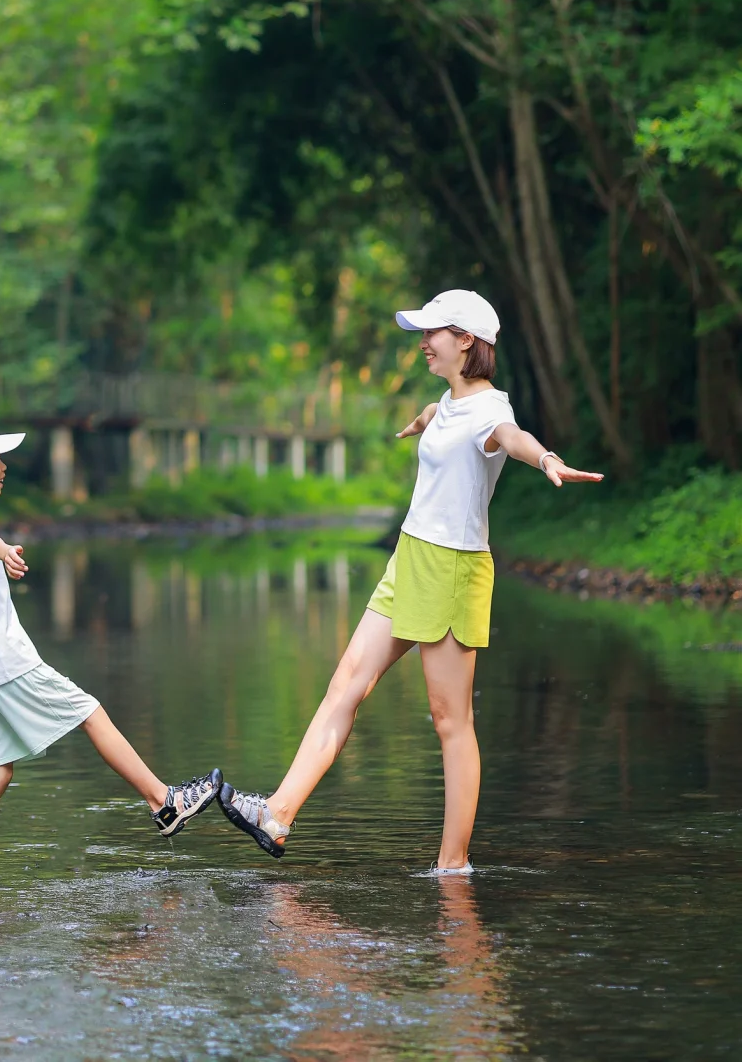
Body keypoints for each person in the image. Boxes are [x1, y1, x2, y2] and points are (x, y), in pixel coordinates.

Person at [217, 289, 604, 875]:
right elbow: (439, 419)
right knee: (345, 683)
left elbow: (508, 438)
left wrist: (545, 457)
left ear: (467, 340)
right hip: (409, 557)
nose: (422, 343)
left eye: (432, 334)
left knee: (451, 721)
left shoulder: (491, 413)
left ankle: (453, 864)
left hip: (453, 567)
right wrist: (423, 419)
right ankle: (277, 814)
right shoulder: (448, 404)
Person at [0, 419, 221, 883]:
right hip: (5, 662)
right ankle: (165, 802)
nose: (3, 467)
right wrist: (4, 551)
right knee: (90, 712)